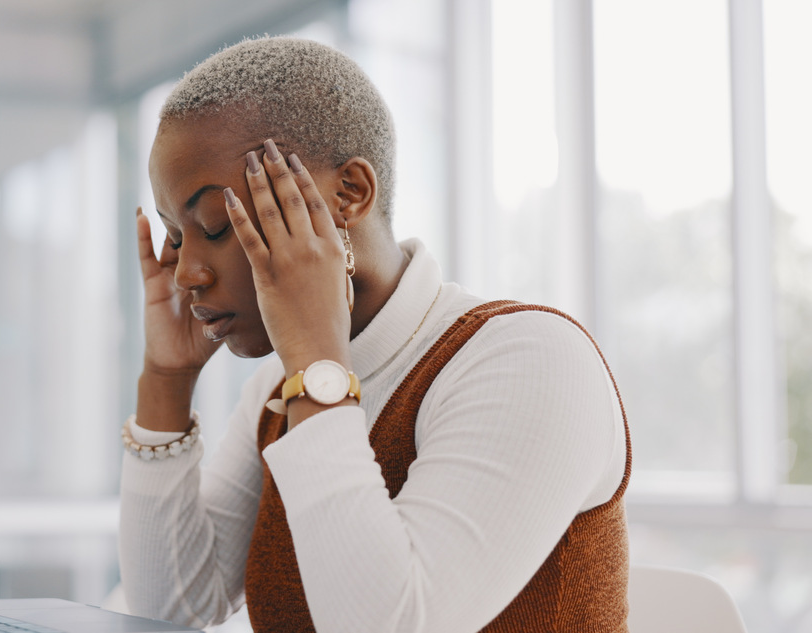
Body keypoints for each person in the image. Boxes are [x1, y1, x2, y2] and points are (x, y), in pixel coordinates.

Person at [118, 36, 630, 633]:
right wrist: (166, 380)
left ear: (350, 195)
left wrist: (313, 362)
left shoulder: (530, 360)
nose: (186, 273)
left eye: (212, 226)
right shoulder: (278, 391)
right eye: (175, 239)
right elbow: (171, 611)